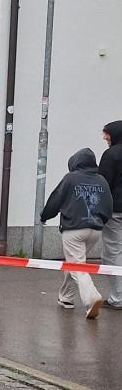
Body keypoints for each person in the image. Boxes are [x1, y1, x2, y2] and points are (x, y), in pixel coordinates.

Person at [41, 148, 112, 319]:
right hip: (95, 230)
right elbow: (108, 206)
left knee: (77, 265)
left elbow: (56, 198)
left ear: (75, 163)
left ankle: (92, 298)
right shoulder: (101, 180)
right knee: (74, 262)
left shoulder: (71, 178)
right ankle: (66, 298)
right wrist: (101, 221)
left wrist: (45, 216)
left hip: (74, 229)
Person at [99, 120, 122, 310]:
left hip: (114, 211)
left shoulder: (111, 154)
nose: (105, 137)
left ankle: (118, 297)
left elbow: (103, 184)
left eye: (107, 133)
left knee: (113, 253)